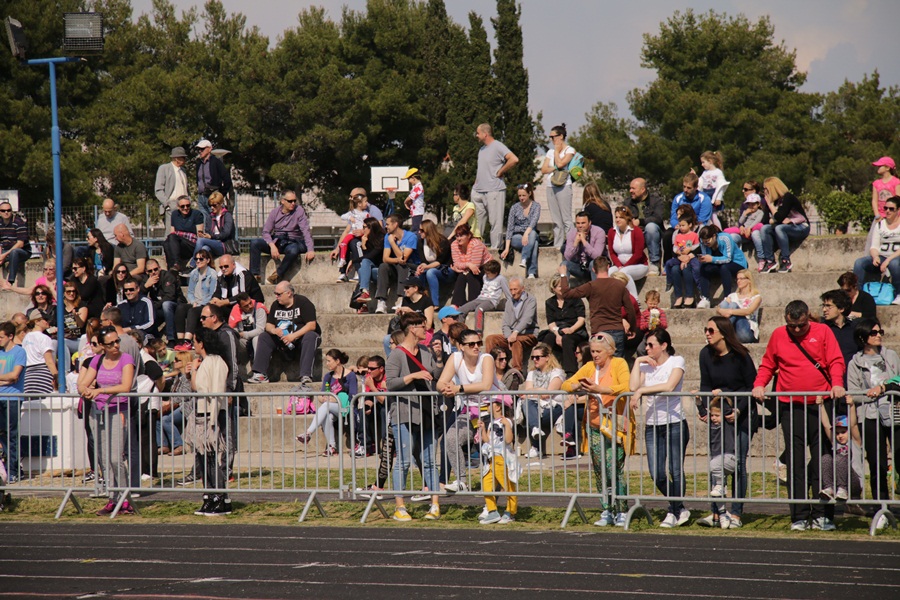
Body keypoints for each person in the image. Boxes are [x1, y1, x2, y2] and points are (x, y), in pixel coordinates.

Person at [752, 300, 845, 531]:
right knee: (795, 461)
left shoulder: (822, 331)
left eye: (801, 326)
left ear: (808, 319)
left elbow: (835, 360)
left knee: (823, 460)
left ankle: (823, 514)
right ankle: (799, 515)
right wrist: (759, 385)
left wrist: (837, 383)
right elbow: (768, 364)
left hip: (820, 403)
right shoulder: (778, 335)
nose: (796, 330)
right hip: (789, 405)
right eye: (791, 325)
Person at [561, 332, 632, 525]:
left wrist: (602, 390)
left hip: (614, 425)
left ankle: (622, 509)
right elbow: (565, 384)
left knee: (613, 468)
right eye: (592, 351)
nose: (594, 355)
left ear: (610, 350)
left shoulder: (619, 364)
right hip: (593, 425)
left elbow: (627, 385)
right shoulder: (589, 367)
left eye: (599, 351)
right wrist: (578, 386)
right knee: (600, 470)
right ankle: (607, 509)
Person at [696, 316, 758, 529]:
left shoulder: (741, 355)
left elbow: (752, 386)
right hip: (719, 417)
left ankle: (736, 514)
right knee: (716, 464)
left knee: (738, 463)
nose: (707, 333)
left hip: (742, 415)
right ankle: (717, 513)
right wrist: (704, 408)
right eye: (706, 329)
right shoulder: (705, 353)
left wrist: (738, 408)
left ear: (723, 332)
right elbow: (705, 384)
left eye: (711, 330)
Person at [385, 312, 442, 522]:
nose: (426, 330)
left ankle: (435, 505)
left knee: (428, 461)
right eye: (422, 326)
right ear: (412, 328)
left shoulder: (425, 351)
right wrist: (413, 376)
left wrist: (438, 359)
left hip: (426, 411)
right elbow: (390, 383)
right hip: (404, 412)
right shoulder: (397, 354)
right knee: (404, 461)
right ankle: (399, 507)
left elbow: (435, 376)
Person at [630, 329, 689, 528]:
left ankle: (673, 511)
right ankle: (679, 507)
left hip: (674, 422)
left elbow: (670, 386)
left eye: (651, 345)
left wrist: (641, 391)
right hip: (652, 425)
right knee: (657, 473)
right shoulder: (645, 365)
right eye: (646, 345)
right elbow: (632, 387)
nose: (647, 349)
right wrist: (638, 362)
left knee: (675, 470)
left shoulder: (676, 361)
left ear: (663, 345)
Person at [79, 325, 136, 516]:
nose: (115, 346)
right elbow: (84, 383)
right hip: (99, 412)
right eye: (110, 343)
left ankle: (125, 499)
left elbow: (126, 386)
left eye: (117, 341)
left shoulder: (126, 359)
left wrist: (100, 390)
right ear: (102, 346)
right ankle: (112, 498)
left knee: (115, 458)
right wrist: (85, 390)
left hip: (118, 410)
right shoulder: (97, 360)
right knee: (104, 458)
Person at [435, 328, 499, 492]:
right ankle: (461, 481)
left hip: (492, 411)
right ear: (461, 346)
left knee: (491, 452)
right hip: (470, 413)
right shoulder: (455, 358)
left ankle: (497, 491)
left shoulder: (486, 359)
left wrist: (458, 388)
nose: (476, 346)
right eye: (471, 344)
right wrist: (447, 388)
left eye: (478, 343)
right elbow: (440, 383)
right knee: (450, 438)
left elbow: (485, 385)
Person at [847, 317, 900, 512]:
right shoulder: (855, 363)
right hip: (870, 416)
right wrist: (872, 394)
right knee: (877, 463)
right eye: (873, 333)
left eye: (880, 332)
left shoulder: (891, 356)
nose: (878, 336)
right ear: (863, 337)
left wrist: (884, 389)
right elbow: (853, 393)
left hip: (894, 413)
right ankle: (881, 507)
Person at [188, 327, 232, 516]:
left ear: (201, 343)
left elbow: (199, 388)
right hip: (207, 413)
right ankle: (210, 496)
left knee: (212, 458)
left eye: (195, 342)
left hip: (210, 414)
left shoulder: (210, 363)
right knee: (204, 458)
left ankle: (219, 497)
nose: (193, 345)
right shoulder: (217, 361)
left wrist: (193, 372)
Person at [557, 257, 637, 358]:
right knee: (617, 367)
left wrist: (563, 275)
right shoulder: (619, 285)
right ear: (608, 267)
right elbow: (630, 310)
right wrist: (633, 328)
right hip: (616, 330)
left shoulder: (591, 286)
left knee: (601, 367)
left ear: (593, 270)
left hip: (599, 331)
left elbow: (566, 294)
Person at [246, 282, 320, 385]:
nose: (276, 296)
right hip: (281, 340)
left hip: (300, 340)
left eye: (279, 294)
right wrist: (274, 330)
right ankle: (260, 374)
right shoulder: (276, 305)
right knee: (264, 336)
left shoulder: (303, 302)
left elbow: (312, 325)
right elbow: (268, 325)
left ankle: (305, 375)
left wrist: (293, 336)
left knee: (311, 336)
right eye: (275, 293)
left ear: (289, 293)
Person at [296, 349, 357, 456]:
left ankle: (308, 433)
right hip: (331, 407)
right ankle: (332, 447)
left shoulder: (350, 376)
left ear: (337, 361)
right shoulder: (328, 376)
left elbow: (353, 395)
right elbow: (322, 394)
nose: (327, 363)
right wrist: (323, 398)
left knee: (326, 406)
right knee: (327, 416)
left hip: (346, 407)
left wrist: (336, 398)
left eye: (329, 361)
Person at [249, 190, 315, 284]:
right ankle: (255, 276)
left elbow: (306, 230)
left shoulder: (299, 210)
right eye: (290, 201)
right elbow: (266, 232)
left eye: (294, 201)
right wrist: (272, 245)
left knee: (293, 250)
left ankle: (277, 275)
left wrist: (310, 249)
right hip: (278, 241)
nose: (293, 203)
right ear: (282, 201)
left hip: (293, 242)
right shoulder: (275, 212)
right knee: (254, 243)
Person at [472, 123, 519, 248]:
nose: (476, 135)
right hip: (478, 191)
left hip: (494, 190)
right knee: (477, 224)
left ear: (485, 134)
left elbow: (514, 159)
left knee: (495, 222)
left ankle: (495, 250)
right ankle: (477, 249)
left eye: (478, 133)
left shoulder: (498, 146)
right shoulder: (481, 150)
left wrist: (501, 171)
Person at [477, 395, 519, 524]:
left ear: (498, 406)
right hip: (490, 459)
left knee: (507, 486)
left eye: (490, 404)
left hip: (502, 458)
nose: (488, 406)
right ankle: (492, 511)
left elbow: (508, 440)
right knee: (486, 485)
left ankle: (510, 512)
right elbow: (488, 441)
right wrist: (483, 429)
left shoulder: (507, 421)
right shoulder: (492, 423)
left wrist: (507, 426)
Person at [521, 343, 566, 458]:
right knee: (527, 404)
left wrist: (535, 391)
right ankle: (535, 429)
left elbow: (547, 394)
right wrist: (540, 390)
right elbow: (527, 393)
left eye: (538, 357)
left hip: (554, 408)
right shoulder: (531, 373)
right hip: (535, 407)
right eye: (533, 357)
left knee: (531, 412)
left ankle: (536, 446)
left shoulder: (557, 372)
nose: (535, 360)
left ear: (547, 358)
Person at [853, 195, 900, 304]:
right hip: (882, 257)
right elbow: (874, 246)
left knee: (894, 264)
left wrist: (888, 260)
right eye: (886, 208)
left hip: (896, 257)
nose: (887, 211)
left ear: (898, 210)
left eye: (891, 209)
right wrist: (875, 257)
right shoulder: (880, 225)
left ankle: (899, 293)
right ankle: (857, 295)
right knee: (859, 263)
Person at [484, 278, 538, 372]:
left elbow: (527, 320)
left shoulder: (531, 300)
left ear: (522, 289)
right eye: (511, 289)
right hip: (512, 335)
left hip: (528, 334)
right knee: (490, 339)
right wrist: (509, 336)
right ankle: (489, 367)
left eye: (515, 289)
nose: (513, 292)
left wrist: (515, 333)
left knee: (515, 341)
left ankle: (516, 371)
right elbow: (505, 323)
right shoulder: (509, 302)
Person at [538, 274, 587, 376]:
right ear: (553, 288)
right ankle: (545, 369)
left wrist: (571, 329)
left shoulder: (575, 299)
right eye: (559, 286)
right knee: (548, 339)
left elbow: (581, 319)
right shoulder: (550, 302)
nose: (562, 288)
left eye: (563, 285)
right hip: (558, 329)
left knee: (567, 340)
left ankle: (570, 372)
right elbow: (551, 322)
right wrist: (557, 334)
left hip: (575, 330)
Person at [759, 176, 810, 274]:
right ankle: (770, 261)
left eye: (765, 188)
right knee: (764, 229)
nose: (764, 191)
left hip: (801, 227)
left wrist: (772, 208)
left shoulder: (788, 197)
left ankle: (785, 261)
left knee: (779, 228)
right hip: (786, 227)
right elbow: (765, 221)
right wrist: (774, 216)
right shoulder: (773, 201)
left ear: (773, 188)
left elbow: (779, 217)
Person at [662, 172, 713, 263]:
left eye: (689, 188)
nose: (685, 190)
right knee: (667, 235)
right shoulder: (678, 198)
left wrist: (689, 226)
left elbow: (703, 219)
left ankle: (696, 259)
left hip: (696, 227)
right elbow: (673, 217)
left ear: (696, 187)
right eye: (684, 186)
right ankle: (667, 262)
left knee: (701, 234)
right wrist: (676, 225)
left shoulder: (704, 199)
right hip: (681, 226)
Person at [540, 123, 576, 250]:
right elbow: (544, 169)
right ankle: (557, 245)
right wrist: (554, 167)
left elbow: (561, 164)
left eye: (553, 136)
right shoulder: (550, 152)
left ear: (560, 136)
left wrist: (556, 151)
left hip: (564, 186)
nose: (551, 139)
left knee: (566, 219)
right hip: (551, 186)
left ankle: (572, 245)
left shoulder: (569, 150)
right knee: (556, 220)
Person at [374, 214, 420, 314]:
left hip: (412, 267)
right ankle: (381, 302)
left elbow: (404, 259)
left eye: (388, 224)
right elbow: (385, 259)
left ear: (395, 224)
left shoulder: (411, 237)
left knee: (402, 265)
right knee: (383, 266)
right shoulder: (388, 236)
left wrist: (392, 243)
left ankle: (401, 298)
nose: (386, 227)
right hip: (399, 267)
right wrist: (398, 260)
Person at [173, 250, 217, 350]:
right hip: (196, 302)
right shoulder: (194, 273)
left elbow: (212, 294)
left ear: (208, 260)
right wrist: (194, 302)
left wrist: (200, 303)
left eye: (201, 259)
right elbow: (190, 292)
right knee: (180, 308)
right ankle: (180, 340)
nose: (198, 261)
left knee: (193, 311)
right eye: (196, 259)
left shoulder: (212, 274)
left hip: (206, 304)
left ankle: (188, 341)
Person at [697, 224, 748, 309]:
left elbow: (728, 258)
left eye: (708, 241)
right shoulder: (703, 242)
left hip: (737, 263)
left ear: (714, 236)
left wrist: (711, 259)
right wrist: (704, 259)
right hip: (719, 264)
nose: (706, 243)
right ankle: (705, 298)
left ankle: (727, 298)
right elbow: (707, 256)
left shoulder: (725, 238)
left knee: (725, 267)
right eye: (704, 241)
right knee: (704, 268)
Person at [0, 321, 26, 484]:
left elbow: (14, 376)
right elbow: (7, 377)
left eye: (1, 337)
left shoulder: (19, 352)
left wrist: (6, 379)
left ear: (10, 336)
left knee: (11, 436)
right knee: (2, 436)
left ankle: (14, 470)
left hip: (12, 398)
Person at [382, 277, 434, 356]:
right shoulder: (406, 300)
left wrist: (412, 312)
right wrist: (402, 315)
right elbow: (406, 323)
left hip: (422, 333)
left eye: (407, 287)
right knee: (387, 339)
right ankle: (393, 362)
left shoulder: (426, 301)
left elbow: (428, 326)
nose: (404, 290)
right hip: (408, 332)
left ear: (415, 288)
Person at [622, 178, 666, 270]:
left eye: (633, 188)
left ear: (643, 189)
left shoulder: (656, 201)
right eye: (630, 188)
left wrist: (640, 222)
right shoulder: (627, 202)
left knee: (651, 227)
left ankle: (654, 263)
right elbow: (623, 217)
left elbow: (658, 218)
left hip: (653, 232)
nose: (630, 191)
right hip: (635, 232)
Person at [500, 183, 541, 279]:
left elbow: (533, 222)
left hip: (530, 233)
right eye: (519, 196)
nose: (521, 198)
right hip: (517, 236)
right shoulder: (514, 207)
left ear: (529, 193)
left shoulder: (536, 206)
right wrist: (506, 248)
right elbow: (510, 228)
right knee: (534, 243)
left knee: (533, 235)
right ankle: (531, 271)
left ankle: (524, 259)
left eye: (524, 195)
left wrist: (526, 234)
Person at [156, 350, 193, 457]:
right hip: (176, 405)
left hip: (185, 407)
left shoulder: (187, 377)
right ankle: (163, 445)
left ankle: (178, 445)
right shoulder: (178, 377)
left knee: (166, 420)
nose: (174, 362)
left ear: (184, 361)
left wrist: (170, 402)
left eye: (177, 360)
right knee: (157, 418)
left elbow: (186, 395)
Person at [449, 224, 493, 308]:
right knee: (462, 276)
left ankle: (473, 302)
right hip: (469, 268)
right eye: (457, 236)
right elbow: (456, 263)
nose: (458, 238)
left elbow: (475, 265)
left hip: (486, 268)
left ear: (469, 235)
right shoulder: (454, 245)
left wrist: (462, 268)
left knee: (471, 275)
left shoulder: (476, 244)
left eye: (461, 235)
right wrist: (468, 265)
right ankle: (457, 304)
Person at [664, 213, 701, 309]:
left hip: (691, 257)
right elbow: (675, 248)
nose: (681, 227)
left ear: (690, 225)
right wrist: (680, 255)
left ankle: (691, 295)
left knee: (688, 269)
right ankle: (677, 295)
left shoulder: (694, 235)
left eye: (683, 225)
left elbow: (698, 247)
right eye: (680, 225)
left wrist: (688, 255)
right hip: (679, 257)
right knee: (673, 268)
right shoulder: (677, 235)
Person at [332, 191, 371, 281]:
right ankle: (343, 271)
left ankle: (359, 270)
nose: (367, 203)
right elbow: (346, 229)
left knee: (355, 244)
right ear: (359, 203)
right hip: (353, 234)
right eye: (365, 202)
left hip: (362, 238)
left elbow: (372, 226)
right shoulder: (352, 213)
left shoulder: (367, 213)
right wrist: (337, 248)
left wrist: (363, 232)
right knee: (344, 244)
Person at [723, 188, 766, 270]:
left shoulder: (760, 212)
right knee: (732, 236)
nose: (751, 206)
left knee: (758, 228)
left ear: (758, 204)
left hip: (753, 230)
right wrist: (745, 214)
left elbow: (758, 221)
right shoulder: (747, 212)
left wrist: (750, 228)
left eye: (753, 204)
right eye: (749, 204)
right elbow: (741, 221)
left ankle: (761, 259)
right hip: (744, 232)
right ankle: (733, 258)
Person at [194, 139, 232, 229]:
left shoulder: (216, 162)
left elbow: (227, 180)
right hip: (201, 197)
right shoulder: (199, 163)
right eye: (199, 149)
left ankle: (218, 240)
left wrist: (220, 194)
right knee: (205, 221)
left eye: (202, 149)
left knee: (216, 221)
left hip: (212, 196)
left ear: (209, 149)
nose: (200, 151)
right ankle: (207, 240)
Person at [716, 269, 761, 344]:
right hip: (733, 333)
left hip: (746, 332)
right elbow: (719, 307)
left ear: (749, 280)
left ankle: (720, 333)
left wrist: (730, 311)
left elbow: (749, 311)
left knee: (734, 305)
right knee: (724, 304)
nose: (738, 281)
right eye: (737, 279)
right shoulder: (732, 296)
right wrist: (721, 310)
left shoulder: (756, 297)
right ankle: (723, 333)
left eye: (741, 279)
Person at [415, 220, 453, 308]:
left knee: (430, 272)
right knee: (419, 274)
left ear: (428, 230)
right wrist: (420, 268)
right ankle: (421, 302)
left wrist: (426, 267)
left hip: (446, 270)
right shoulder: (420, 242)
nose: (419, 232)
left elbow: (440, 261)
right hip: (430, 268)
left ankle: (435, 303)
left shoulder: (443, 241)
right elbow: (423, 260)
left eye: (421, 230)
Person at [163, 195, 205, 273]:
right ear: (178, 207)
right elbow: (172, 231)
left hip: (191, 244)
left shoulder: (197, 214)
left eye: (188, 205)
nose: (185, 208)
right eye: (182, 206)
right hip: (178, 242)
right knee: (166, 243)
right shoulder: (175, 215)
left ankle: (176, 263)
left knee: (172, 237)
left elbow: (200, 234)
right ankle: (172, 268)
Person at [608, 206, 649, 284]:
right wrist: (619, 266)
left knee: (623, 273)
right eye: (616, 217)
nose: (617, 220)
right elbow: (612, 253)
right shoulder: (611, 232)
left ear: (627, 218)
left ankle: (632, 296)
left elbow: (638, 254)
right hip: (619, 266)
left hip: (638, 265)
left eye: (621, 217)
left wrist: (625, 266)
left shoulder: (636, 231)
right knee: (609, 273)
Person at [562, 211, 606, 282]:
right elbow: (567, 257)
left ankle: (596, 290)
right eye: (578, 223)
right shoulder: (571, 233)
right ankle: (563, 290)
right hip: (580, 266)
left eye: (583, 223)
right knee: (564, 264)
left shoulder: (599, 232)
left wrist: (584, 241)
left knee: (593, 263)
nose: (580, 226)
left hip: (597, 267)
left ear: (589, 223)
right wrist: (575, 243)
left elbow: (597, 256)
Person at [820, 290, 857, 374]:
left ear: (841, 308)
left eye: (828, 306)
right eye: (823, 305)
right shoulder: (822, 328)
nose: (824, 309)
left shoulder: (854, 328)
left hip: (851, 376)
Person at [352, 217, 385, 309]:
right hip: (374, 270)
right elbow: (367, 257)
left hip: (383, 272)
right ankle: (365, 293)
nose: (363, 229)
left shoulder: (382, 239)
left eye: (364, 227)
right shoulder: (368, 239)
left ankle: (363, 304)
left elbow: (372, 256)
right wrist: (364, 245)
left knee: (363, 269)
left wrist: (353, 261)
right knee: (364, 267)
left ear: (371, 227)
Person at [154, 146, 190, 231]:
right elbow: (158, 189)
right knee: (171, 233)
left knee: (184, 231)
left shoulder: (183, 171)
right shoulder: (164, 168)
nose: (185, 160)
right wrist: (167, 204)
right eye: (183, 158)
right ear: (177, 158)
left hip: (185, 205)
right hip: (172, 204)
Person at [194, 191, 237, 261]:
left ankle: (193, 264)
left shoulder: (227, 215)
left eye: (214, 205)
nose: (212, 207)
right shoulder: (210, 216)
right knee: (205, 249)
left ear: (221, 204)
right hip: (212, 243)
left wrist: (212, 236)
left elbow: (226, 233)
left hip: (224, 244)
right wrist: (204, 235)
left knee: (200, 241)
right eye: (210, 205)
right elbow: (208, 231)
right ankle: (203, 270)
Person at [227, 292, 268, 360]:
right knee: (229, 339)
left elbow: (260, 330)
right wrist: (237, 334)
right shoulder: (236, 310)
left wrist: (243, 334)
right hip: (244, 340)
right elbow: (232, 328)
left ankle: (258, 367)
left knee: (256, 339)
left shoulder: (259, 308)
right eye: (246, 306)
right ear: (240, 307)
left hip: (258, 337)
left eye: (250, 303)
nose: (250, 306)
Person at [0, 201, 31, 284]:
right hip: (5, 251)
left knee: (14, 252)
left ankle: (10, 281)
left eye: (8, 210)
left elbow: (20, 244)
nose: (6, 212)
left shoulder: (19, 222)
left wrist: (4, 255)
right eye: (3, 210)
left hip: (22, 251)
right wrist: (0, 255)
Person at [61, 283, 88, 358]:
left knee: (62, 343)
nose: (71, 294)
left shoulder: (81, 306)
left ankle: (66, 369)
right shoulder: (61, 306)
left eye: (73, 291)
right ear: (64, 293)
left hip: (79, 339)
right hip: (66, 337)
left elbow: (81, 324)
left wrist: (76, 317)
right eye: (68, 292)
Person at [871, 156, 900, 225]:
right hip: (880, 217)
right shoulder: (876, 183)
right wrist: (877, 215)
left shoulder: (896, 182)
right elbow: (874, 201)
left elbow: (898, 200)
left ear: (887, 168)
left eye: (880, 166)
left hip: (894, 217)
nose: (878, 168)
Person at [637, 290, 667, 355]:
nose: (653, 305)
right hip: (648, 335)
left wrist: (659, 324)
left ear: (658, 302)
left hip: (658, 335)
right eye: (650, 304)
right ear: (646, 302)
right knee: (640, 349)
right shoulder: (644, 313)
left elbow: (665, 325)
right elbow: (641, 327)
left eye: (655, 304)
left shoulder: (661, 312)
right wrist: (648, 324)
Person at [402, 168, 425, 234]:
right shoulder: (415, 187)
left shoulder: (419, 187)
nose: (409, 181)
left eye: (409, 179)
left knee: (416, 229)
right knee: (415, 228)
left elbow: (411, 196)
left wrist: (405, 202)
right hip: (415, 211)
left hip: (418, 211)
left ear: (413, 178)